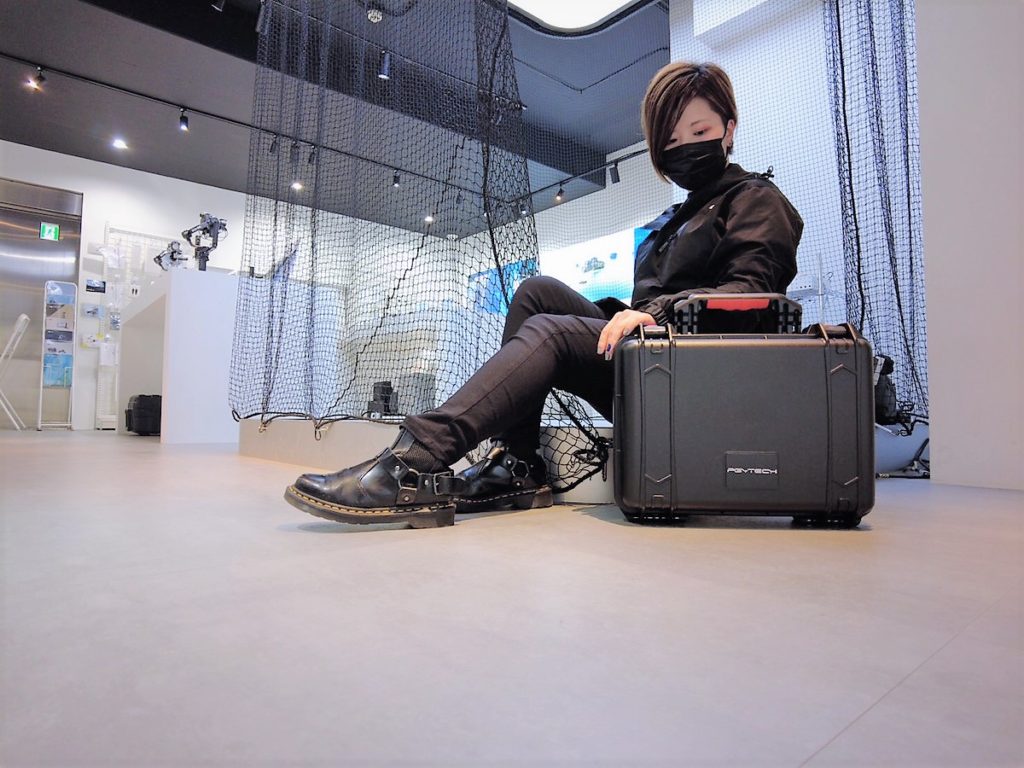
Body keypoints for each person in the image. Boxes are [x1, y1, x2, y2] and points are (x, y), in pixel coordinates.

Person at [284, 61, 803, 528]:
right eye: (670, 140)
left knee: (551, 333)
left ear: (729, 129)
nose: (685, 146)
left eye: (700, 131)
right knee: (537, 292)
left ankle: (416, 457)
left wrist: (657, 315)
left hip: (696, 382)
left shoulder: (756, 199)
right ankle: (517, 465)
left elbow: (751, 297)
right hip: (650, 367)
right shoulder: (670, 220)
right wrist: (632, 316)